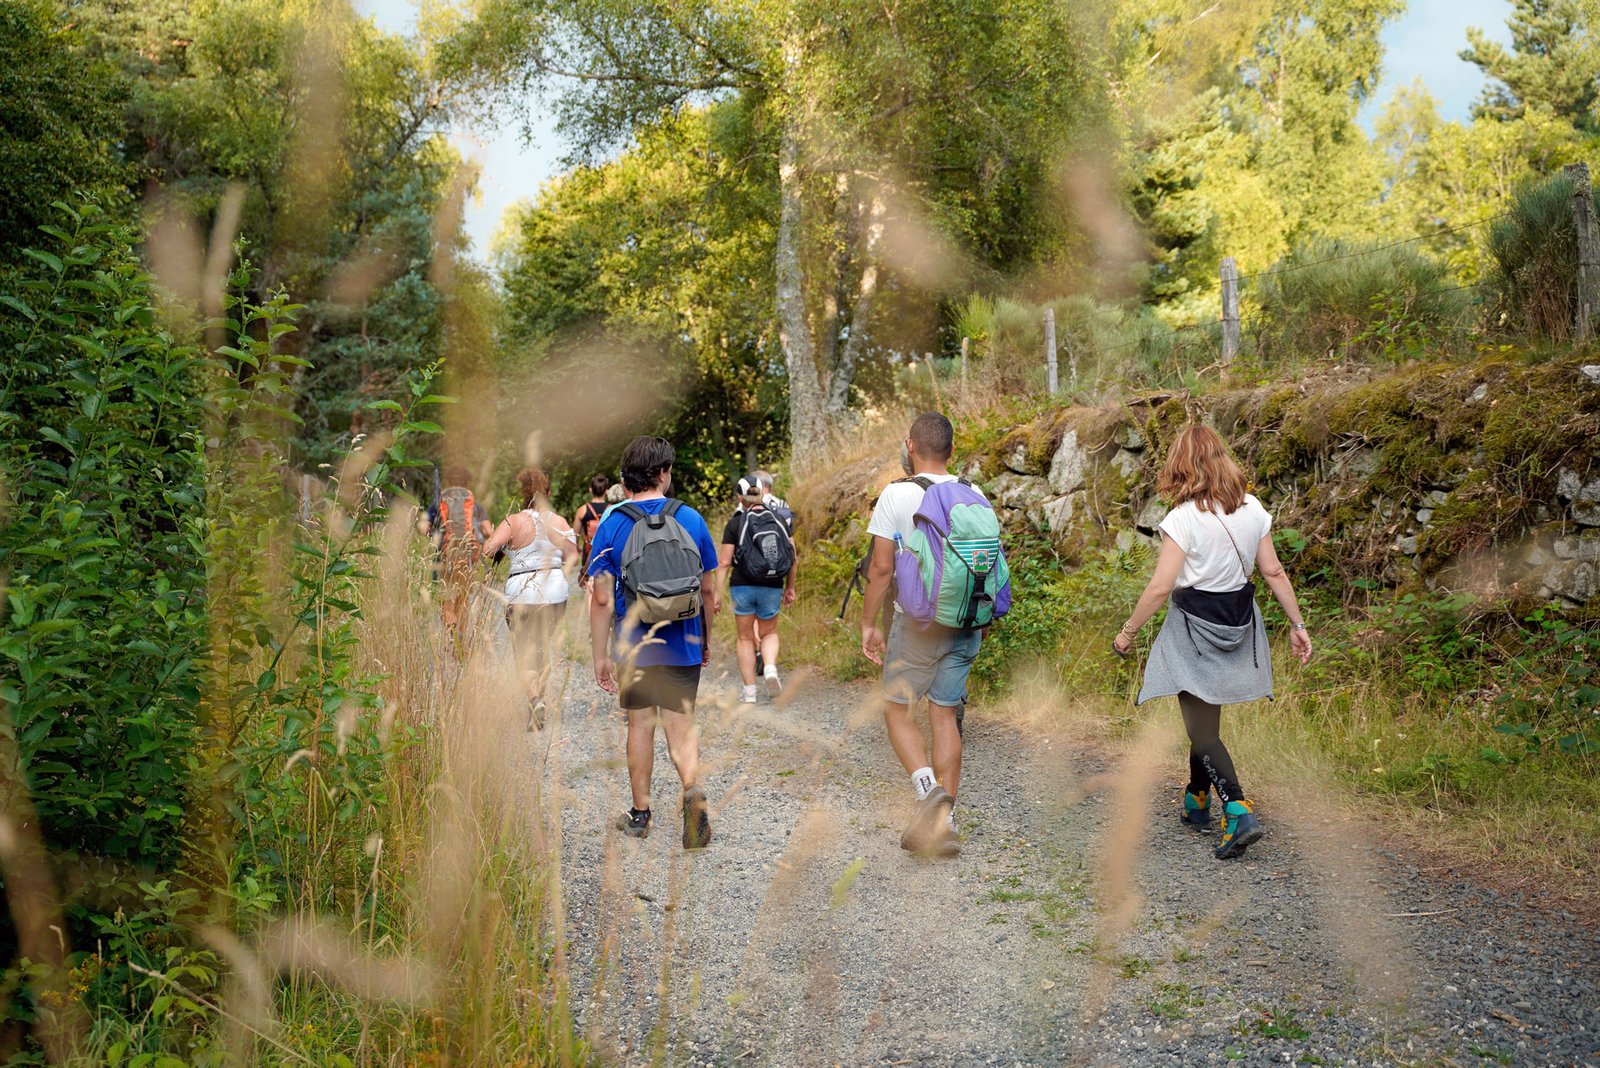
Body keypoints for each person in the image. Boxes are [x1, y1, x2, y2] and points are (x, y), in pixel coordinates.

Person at [1113, 425, 1313, 860]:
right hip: (1239, 621)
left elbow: (1160, 587)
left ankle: (1237, 809)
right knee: (1204, 719)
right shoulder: (1253, 508)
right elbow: (1273, 571)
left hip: (1193, 626)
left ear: (1180, 465)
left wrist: (1128, 631)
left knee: (1200, 728)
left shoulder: (1182, 519)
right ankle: (1197, 799)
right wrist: (1298, 624)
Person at [860, 412, 995, 858]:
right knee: (945, 714)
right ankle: (946, 822)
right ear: (952, 450)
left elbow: (881, 569)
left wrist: (868, 624)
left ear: (910, 446)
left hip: (917, 625)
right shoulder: (974, 493)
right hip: (966, 620)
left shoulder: (896, 494)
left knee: (898, 710)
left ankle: (927, 791)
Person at [587, 436, 721, 848]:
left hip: (634, 645)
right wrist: (704, 639)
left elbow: (601, 599)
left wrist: (600, 656)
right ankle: (692, 790)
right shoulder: (691, 519)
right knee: (681, 724)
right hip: (683, 639)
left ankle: (640, 815)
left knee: (640, 724)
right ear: (663, 474)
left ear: (627, 477)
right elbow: (708, 590)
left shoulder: (612, 523)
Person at [483, 467, 577, 729]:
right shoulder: (560, 522)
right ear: (548, 492)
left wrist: (504, 548)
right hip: (554, 592)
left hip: (521, 592)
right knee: (541, 646)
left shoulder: (513, 521)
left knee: (524, 651)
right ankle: (539, 701)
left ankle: (534, 699)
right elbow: (573, 556)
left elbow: (488, 549)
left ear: (522, 493)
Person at [719, 476, 797, 703]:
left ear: (739, 497)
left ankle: (750, 692)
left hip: (742, 586)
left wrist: (716, 594)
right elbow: (793, 557)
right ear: (762, 493)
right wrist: (790, 587)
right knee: (769, 632)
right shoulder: (779, 519)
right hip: (772, 584)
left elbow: (724, 562)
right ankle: (770, 667)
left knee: (744, 638)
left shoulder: (735, 523)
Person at [421, 465, 493, 636]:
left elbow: (424, 528)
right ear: (468, 483)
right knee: (463, 599)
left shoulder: (438, 503)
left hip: (445, 556)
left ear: (447, 482)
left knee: (446, 598)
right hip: (467, 557)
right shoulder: (475, 505)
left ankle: (451, 627)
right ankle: (460, 641)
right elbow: (488, 530)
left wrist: (434, 535)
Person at [572, 475, 610, 584]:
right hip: (607, 553)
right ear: (606, 491)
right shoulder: (612, 509)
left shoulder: (582, 510)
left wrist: (578, 548)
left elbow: (574, 535)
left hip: (588, 552)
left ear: (590, 490)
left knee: (589, 587)